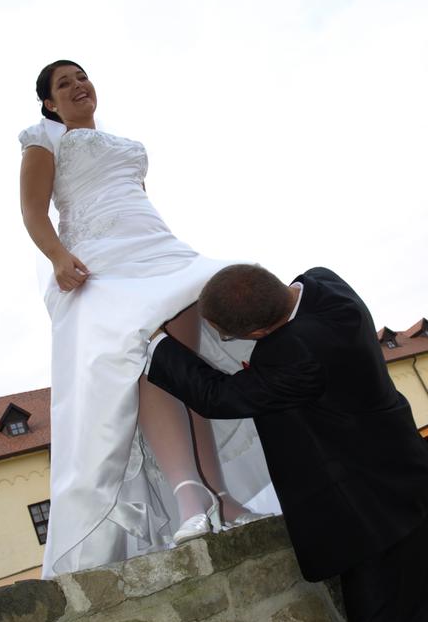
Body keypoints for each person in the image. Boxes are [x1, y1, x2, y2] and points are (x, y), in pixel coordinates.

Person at [146, 264, 428, 622]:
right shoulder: (324, 285)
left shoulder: (294, 352)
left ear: (257, 333)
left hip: (373, 510)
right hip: (403, 477)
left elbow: (220, 396)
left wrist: (157, 345)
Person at [19, 60, 275, 579]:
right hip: (99, 265)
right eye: (63, 84)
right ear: (49, 103)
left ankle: (220, 495)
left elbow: (132, 200)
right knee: (148, 361)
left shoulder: (127, 146)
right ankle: (188, 495)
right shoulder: (43, 139)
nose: (77, 86)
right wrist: (58, 257)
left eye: (81, 77)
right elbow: (33, 209)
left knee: (189, 373)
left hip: (159, 253)